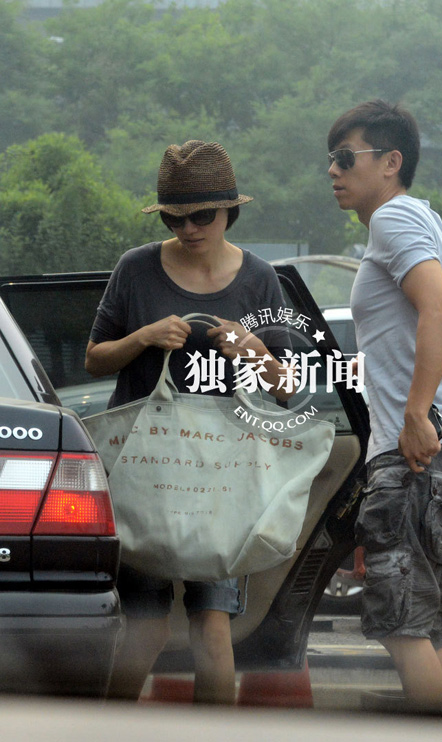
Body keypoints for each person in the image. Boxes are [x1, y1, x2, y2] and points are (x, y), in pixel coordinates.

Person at [85, 140, 292, 704]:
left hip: (221, 474)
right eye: (175, 218)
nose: (189, 228)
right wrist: (144, 337)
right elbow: (95, 359)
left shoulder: (258, 279)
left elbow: (286, 385)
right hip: (146, 469)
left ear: (229, 211)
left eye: (202, 215)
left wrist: (251, 349)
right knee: (145, 627)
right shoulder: (136, 268)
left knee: (213, 628)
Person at [327, 100, 442, 712]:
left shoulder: (393, 219)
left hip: (416, 453)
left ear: (391, 162)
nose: (333, 170)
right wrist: (397, 372)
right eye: (331, 160)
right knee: (424, 626)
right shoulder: (427, 221)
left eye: (346, 157)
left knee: (403, 628)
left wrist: (414, 410)